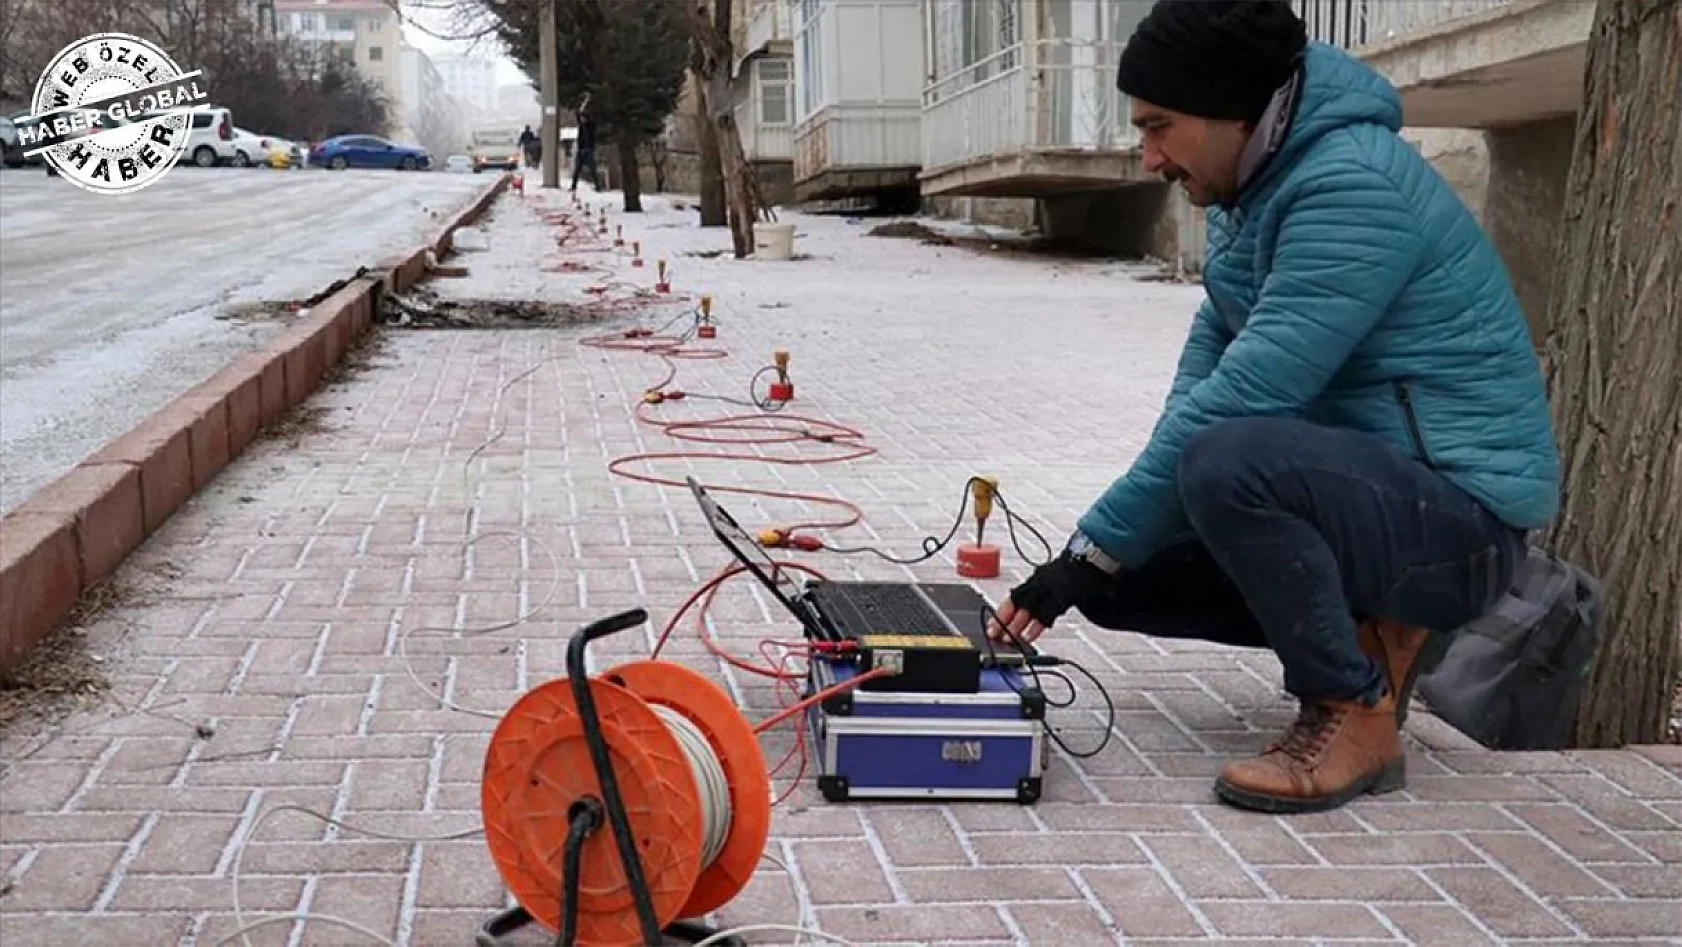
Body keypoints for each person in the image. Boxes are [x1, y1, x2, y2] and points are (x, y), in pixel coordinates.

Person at [986, 0, 1559, 815]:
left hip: (1462, 525)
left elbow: (1250, 395)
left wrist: (1085, 552)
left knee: (1225, 463)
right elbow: (1198, 388)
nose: (1148, 157)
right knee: (1121, 572)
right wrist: (1092, 554)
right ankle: (1372, 634)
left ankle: (1356, 707)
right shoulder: (1246, 194)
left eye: (1160, 126)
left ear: (1234, 111)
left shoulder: (1350, 185)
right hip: (1377, 498)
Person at [571, 96, 600, 193]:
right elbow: (578, 114)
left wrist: (587, 103)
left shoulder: (591, 126)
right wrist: (583, 103)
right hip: (582, 150)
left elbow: (589, 117)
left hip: (588, 150)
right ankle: (573, 186)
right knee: (577, 170)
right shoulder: (581, 126)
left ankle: (598, 186)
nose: (582, 120)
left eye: (584, 118)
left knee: (593, 170)